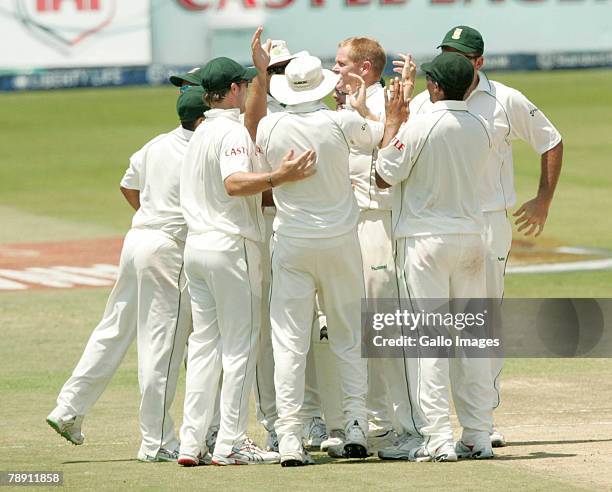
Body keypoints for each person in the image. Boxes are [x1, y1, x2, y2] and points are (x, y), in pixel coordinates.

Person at [408, 25, 563, 447]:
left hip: (487, 222)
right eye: (446, 53)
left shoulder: (505, 99)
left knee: (479, 322)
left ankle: (482, 421)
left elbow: (550, 140)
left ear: (479, 62)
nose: (451, 61)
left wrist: (542, 200)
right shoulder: (425, 100)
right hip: (435, 224)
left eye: (460, 55)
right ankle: (431, 425)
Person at [46, 86, 209, 463]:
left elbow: (127, 184)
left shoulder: (156, 144)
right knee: (163, 348)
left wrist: (151, 212)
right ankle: (157, 442)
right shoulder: (201, 150)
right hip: (169, 248)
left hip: (137, 240)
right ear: (203, 118)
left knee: (113, 328)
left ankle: (68, 407)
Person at [178, 30, 317, 466]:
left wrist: (259, 73)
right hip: (230, 245)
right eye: (246, 84)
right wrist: (280, 177)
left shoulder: (200, 131)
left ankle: (191, 442)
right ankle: (232, 442)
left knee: (204, 347)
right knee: (240, 347)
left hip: (197, 249)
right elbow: (235, 183)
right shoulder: (232, 136)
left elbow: (250, 123)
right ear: (233, 90)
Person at [257, 54, 384, 466]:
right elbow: (379, 136)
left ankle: (290, 437)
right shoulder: (341, 121)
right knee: (347, 337)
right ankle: (355, 428)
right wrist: (360, 104)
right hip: (340, 244)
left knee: (289, 342)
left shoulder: (269, 125)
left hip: (292, 244)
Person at [375, 53, 494, 461]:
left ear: (438, 86)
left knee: (430, 341)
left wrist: (392, 124)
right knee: (473, 340)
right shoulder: (481, 124)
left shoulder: (422, 124)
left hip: (425, 240)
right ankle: (478, 434)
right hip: (471, 238)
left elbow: (385, 173)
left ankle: (438, 436)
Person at [248, 39, 328, 453]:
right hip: (266, 229)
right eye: (271, 69)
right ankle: (276, 422)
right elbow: (253, 182)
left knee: (310, 329)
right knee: (271, 331)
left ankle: (312, 417)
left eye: (283, 68)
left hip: (306, 231)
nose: (278, 76)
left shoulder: (314, 114)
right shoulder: (260, 119)